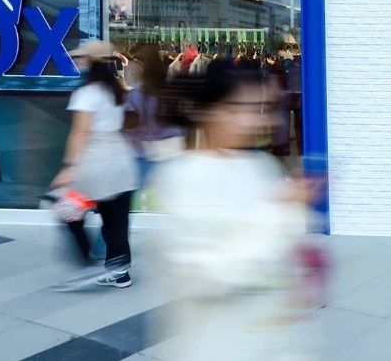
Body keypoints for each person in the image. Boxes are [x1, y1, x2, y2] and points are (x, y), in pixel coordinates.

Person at [152, 59, 322, 359]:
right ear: (209, 111)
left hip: (269, 339)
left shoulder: (261, 165)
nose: (257, 121)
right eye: (241, 108)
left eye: (261, 108)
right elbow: (208, 276)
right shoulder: (184, 176)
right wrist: (282, 212)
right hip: (218, 344)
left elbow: (278, 250)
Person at [51, 41, 139, 290]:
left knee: (67, 209)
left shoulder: (86, 94)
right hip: (121, 160)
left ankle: (86, 262)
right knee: (116, 220)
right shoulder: (118, 91)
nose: (79, 62)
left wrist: (68, 167)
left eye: (82, 59)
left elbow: (79, 133)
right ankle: (120, 272)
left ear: (91, 62)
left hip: (94, 163)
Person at [124, 43, 185, 192]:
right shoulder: (172, 92)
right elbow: (181, 125)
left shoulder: (135, 95)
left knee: (141, 198)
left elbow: (129, 128)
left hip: (142, 155)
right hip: (170, 154)